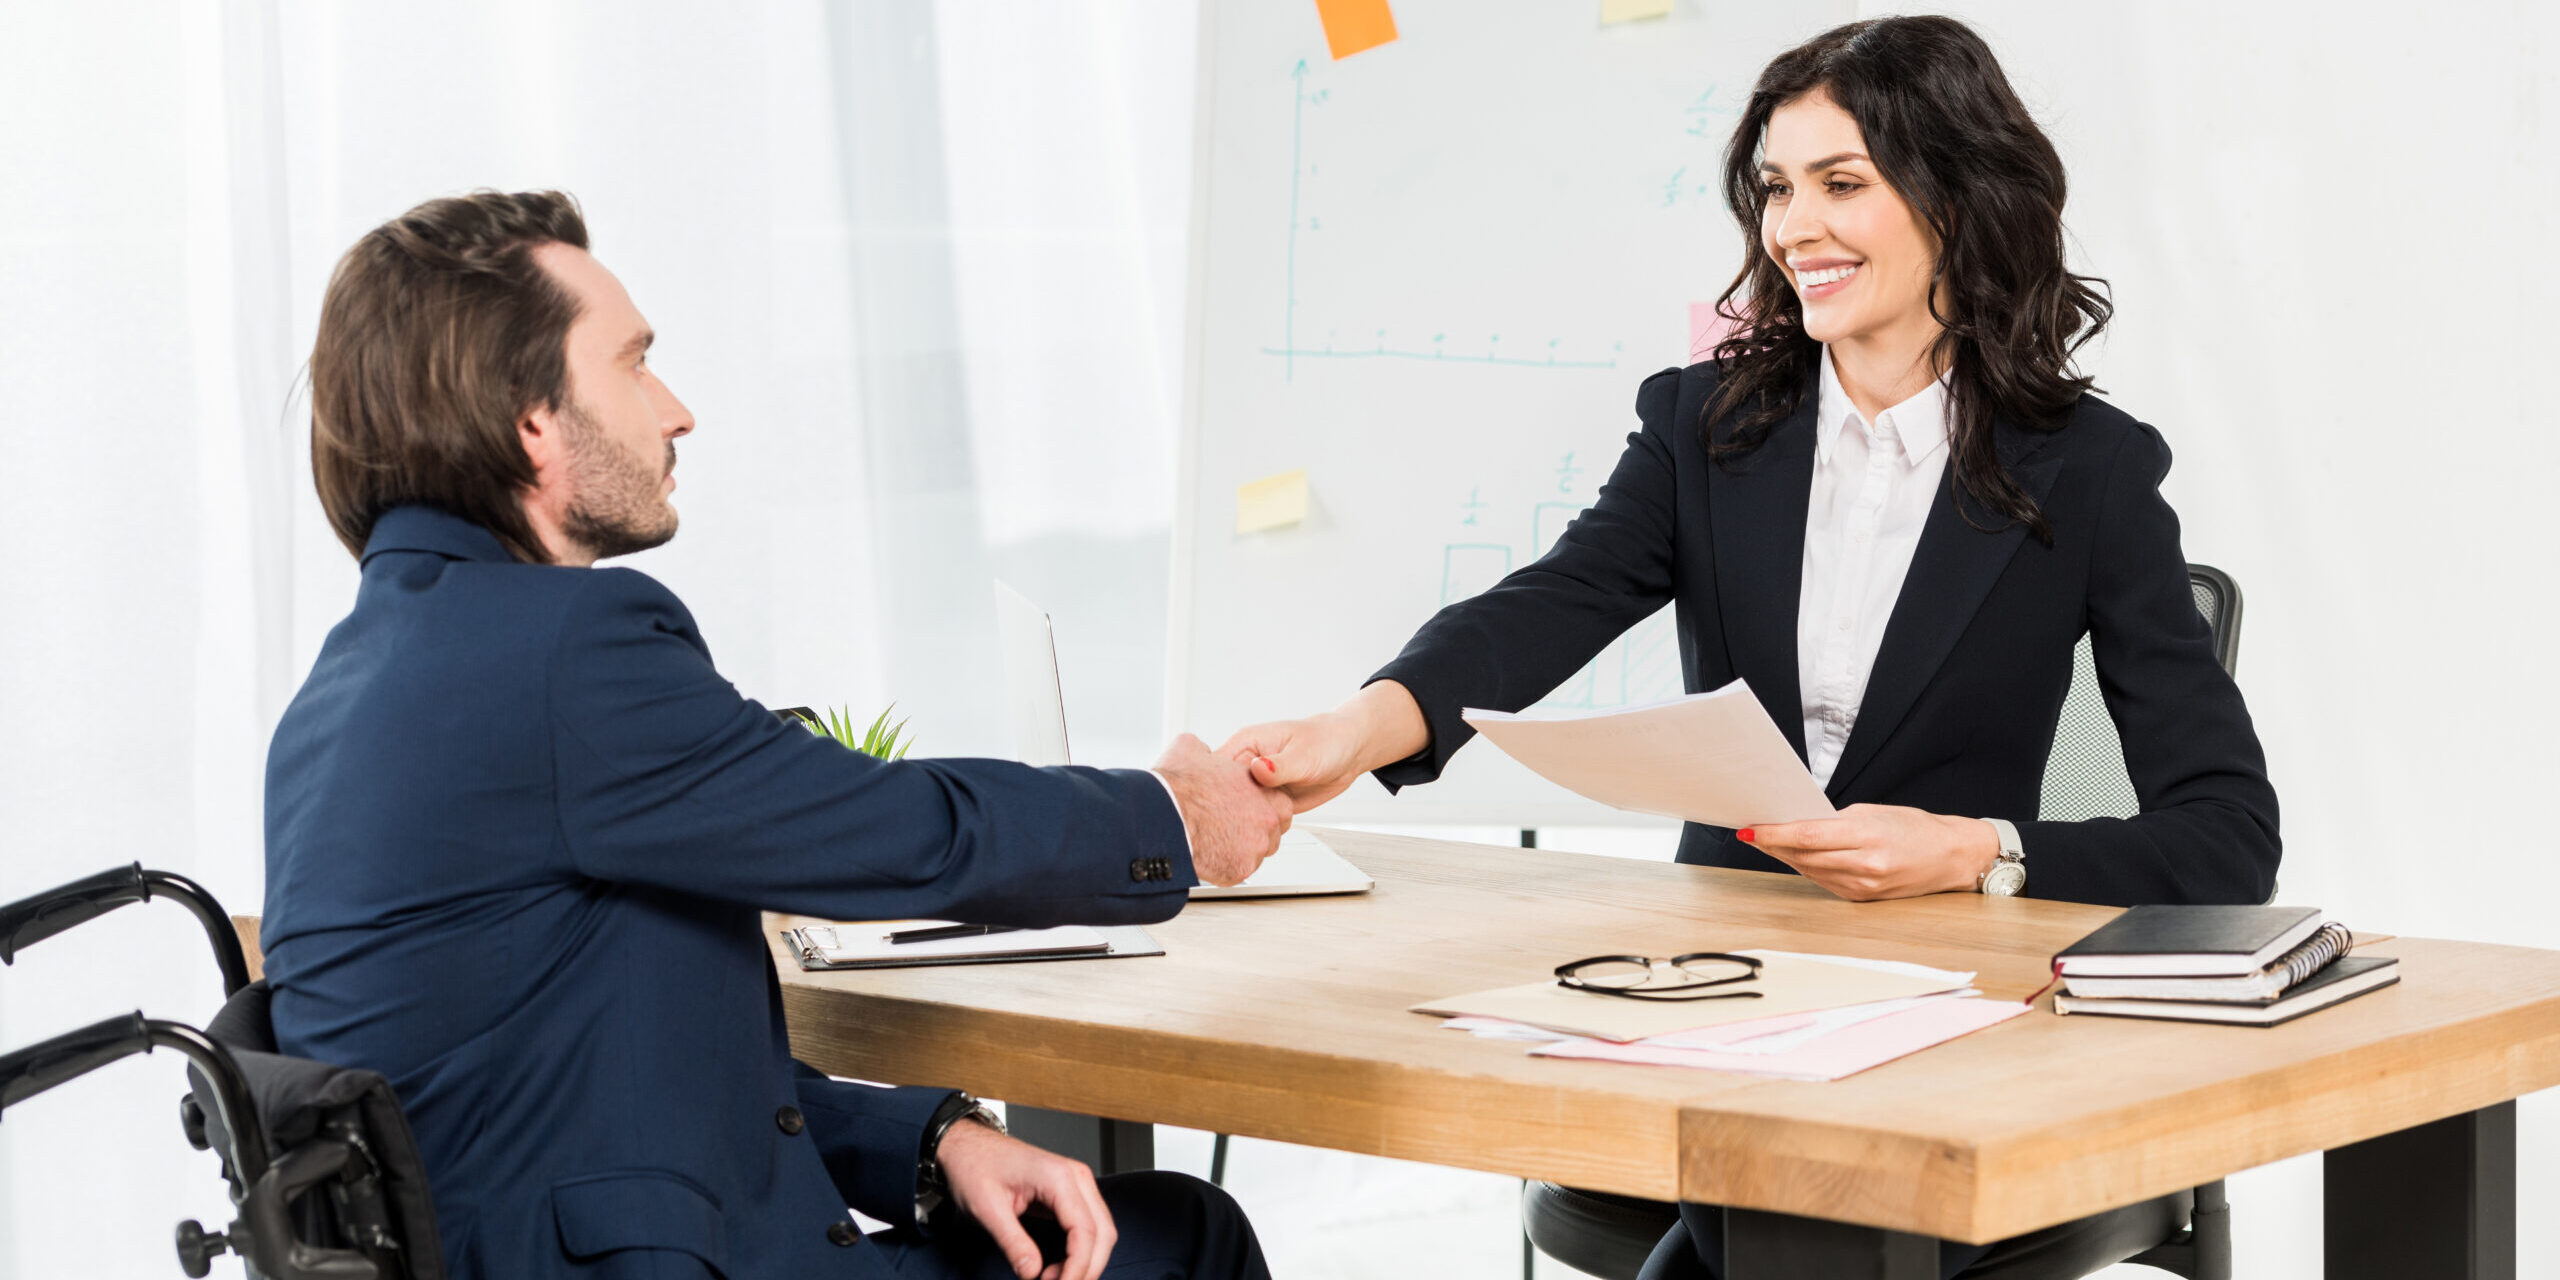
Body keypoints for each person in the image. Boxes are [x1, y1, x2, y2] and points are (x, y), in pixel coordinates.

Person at [1220, 15, 2278, 1279]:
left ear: (1957, 194)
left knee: (1790, 1208)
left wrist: (1978, 850)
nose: (1792, 228)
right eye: (1776, 189)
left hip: (1955, 1025)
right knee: (1765, 1201)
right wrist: (1358, 727)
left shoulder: (2090, 473)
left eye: (1842, 184)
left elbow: (2226, 834)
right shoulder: (1703, 429)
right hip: (1715, 995)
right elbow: (1548, 604)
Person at [262, 189, 1284, 1280]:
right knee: (1184, 1241)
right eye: (634, 363)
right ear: (531, 419)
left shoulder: (338, 694)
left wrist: (934, 1142)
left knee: (1135, 1226)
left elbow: (609, 1071)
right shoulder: (567, 649)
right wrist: (1176, 814)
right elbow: (900, 831)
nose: (676, 409)